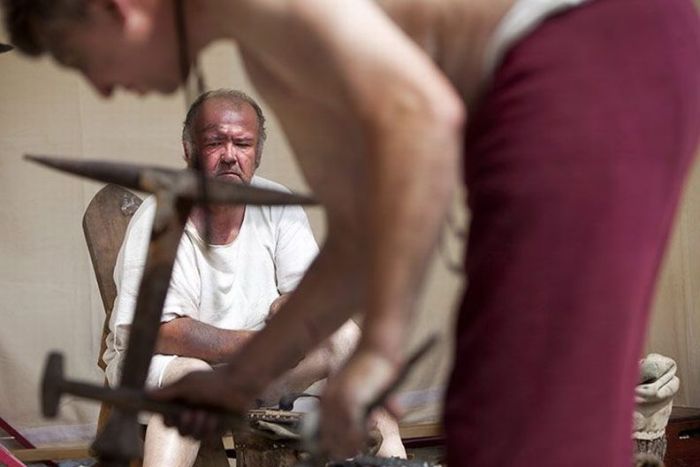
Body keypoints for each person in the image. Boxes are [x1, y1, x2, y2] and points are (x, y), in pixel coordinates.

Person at [3, 0, 700, 465]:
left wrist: (373, 345)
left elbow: (420, 129)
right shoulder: (260, 49)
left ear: (120, 9)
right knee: (504, 412)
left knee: (531, 430)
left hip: (591, 53)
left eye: (78, 55)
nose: (98, 87)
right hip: (574, 64)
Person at [103, 88, 405, 466]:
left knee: (345, 334)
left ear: (257, 154)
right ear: (188, 150)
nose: (230, 155)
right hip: (165, 367)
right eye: (215, 142)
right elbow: (162, 332)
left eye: (242, 144)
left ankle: (395, 457)